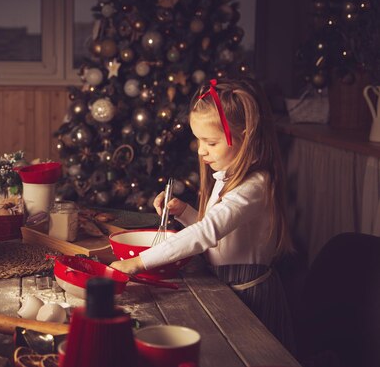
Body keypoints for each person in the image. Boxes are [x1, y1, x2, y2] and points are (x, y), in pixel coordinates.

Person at [111, 78, 295, 351]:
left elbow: (208, 233)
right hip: (226, 287)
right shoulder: (228, 174)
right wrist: (185, 212)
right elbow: (219, 233)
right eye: (198, 140)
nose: (200, 150)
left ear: (246, 137)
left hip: (249, 294)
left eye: (210, 142)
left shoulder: (256, 186)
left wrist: (136, 263)